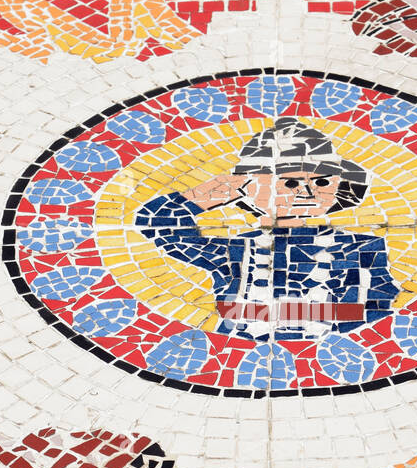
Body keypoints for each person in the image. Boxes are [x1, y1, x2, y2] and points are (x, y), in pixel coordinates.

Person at [134, 119, 398, 341]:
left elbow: (376, 308)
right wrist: (223, 189)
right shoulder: (238, 248)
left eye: (322, 181)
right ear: (254, 188)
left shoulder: (362, 246)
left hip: (334, 349)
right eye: (290, 181)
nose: (307, 191)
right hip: (237, 344)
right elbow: (158, 223)